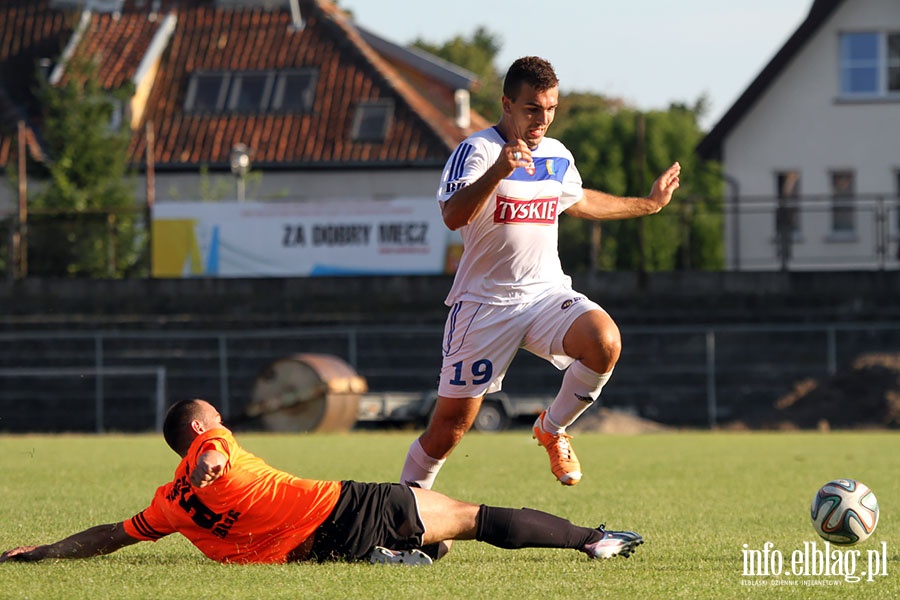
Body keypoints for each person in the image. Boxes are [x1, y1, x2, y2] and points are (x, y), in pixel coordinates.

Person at [400, 56, 681, 489]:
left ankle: (551, 428)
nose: (543, 119)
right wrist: (499, 170)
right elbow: (453, 216)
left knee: (604, 341)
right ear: (507, 103)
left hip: (545, 295)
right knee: (449, 430)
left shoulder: (556, 154)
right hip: (484, 306)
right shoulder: (476, 150)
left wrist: (649, 204)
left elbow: (582, 200)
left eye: (550, 109)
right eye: (533, 108)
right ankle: (402, 512)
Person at [0, 399, 642, 566]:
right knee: (470, 519)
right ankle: (593, 539)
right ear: (199, 428)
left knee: (434, 540)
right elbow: (214, 456)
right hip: (344, 505)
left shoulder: (167, 507)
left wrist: (46, 551)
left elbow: (112, 535)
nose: (221, 427)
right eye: (214, 421)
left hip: (312, 548)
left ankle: (392, 557)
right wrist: (210, 459)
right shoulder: (210, 442)